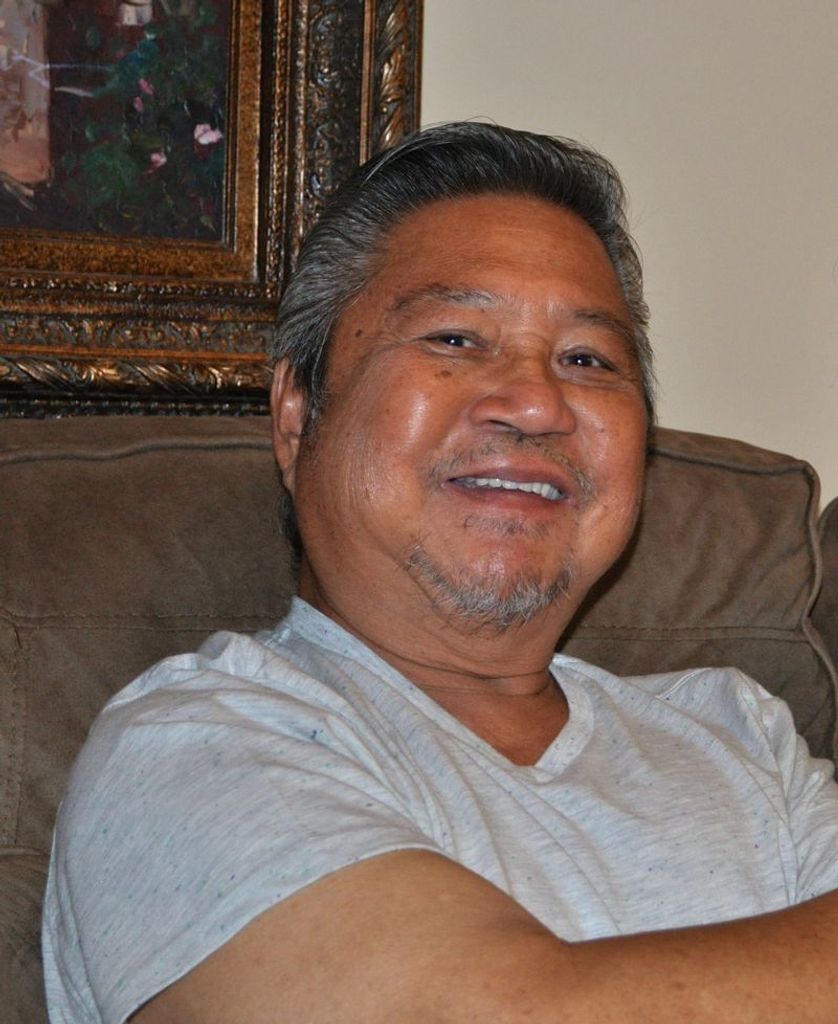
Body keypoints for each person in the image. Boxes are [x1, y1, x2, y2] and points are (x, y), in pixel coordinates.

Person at [43, 122, 838, 1023]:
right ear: (297, 414)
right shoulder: (191, 745)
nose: (536, 403)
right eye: (456, 338)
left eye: (587, 360)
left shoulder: (741, 737)